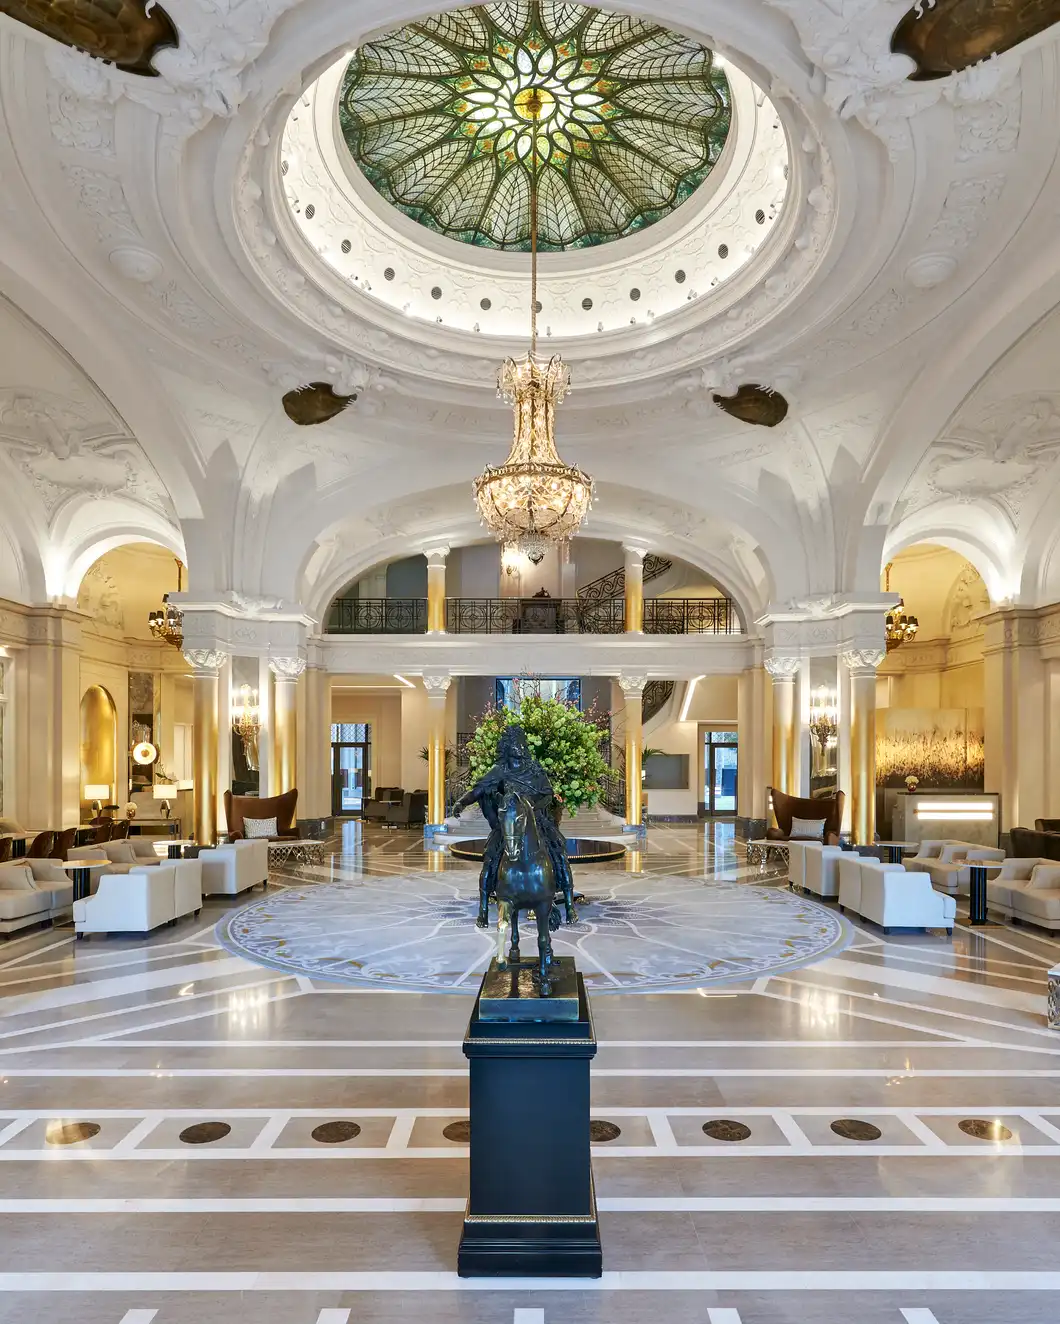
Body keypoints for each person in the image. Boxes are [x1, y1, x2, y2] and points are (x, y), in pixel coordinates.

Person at [453, 724, 577, 930]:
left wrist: (532, 807)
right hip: (510, 824)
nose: (520, 747)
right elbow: (478, 790)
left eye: (522, 743)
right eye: (515, 744)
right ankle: (484, 907)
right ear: (507, 747)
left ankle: (569, 903)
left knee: (559, 853)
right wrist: (461, 802)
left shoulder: (535, 769)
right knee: (491, 857)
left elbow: (548, 795)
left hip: (536, 821)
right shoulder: (499, 771)